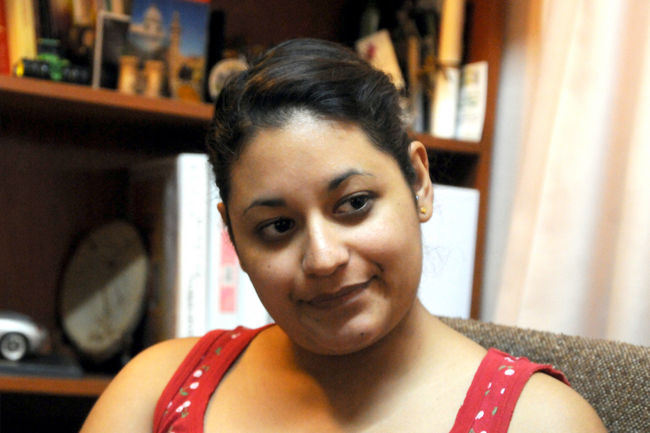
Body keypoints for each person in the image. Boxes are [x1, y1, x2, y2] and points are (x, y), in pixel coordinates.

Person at [81, 39, 606, 433]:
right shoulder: (157, 392)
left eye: (354, 204)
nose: (324, 257)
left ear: (419, 182)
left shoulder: (541, 421)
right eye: (278, 227)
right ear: (234, 238)